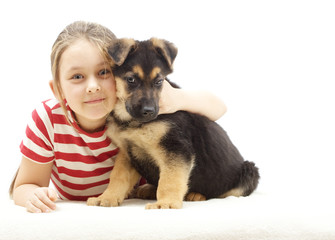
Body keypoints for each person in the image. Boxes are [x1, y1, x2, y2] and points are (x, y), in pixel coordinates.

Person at [9, 21, 227, 213]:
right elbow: (24, 186)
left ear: (116, 74)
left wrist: (177, 98)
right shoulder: (48, 120)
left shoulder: (133, 112)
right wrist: (32, 196)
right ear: (57, 90)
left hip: (131, 210)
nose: (93, 87)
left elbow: (219, 108)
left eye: (103, 73)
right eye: (77, 76)